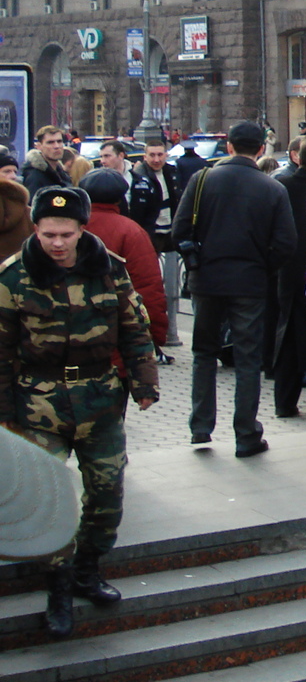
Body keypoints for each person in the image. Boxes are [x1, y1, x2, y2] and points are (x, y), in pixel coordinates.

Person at [0, 185, 158, 638]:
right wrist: (5, 414)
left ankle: (88, 569)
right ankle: (58, 586)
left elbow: (134, 326)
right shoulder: (13, 278)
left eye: (65, 234)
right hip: (38, 401)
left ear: (81, 230)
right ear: (35, 229)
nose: (56, 243)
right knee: (51, 499)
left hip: (100, 398)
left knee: (107, 492)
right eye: (48, 234)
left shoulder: (109, 269)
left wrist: (145, 381)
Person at [173, 121, 296, 459]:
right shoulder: (271, 188)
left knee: (203, 352)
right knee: (247, 358)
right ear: (260, 150)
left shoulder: (201, 181)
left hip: (207, 280)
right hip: (250, 282)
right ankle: (246, 434)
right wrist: (262, 267)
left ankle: (200, 425)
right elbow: (286, 243)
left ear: (228, 146)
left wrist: (198, 260)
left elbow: (179, 230)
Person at [81, 170, 169, 353]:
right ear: (120, 199)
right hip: (117, 331)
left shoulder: (71, 228)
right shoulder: (131, 231)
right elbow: (147, 285)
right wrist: (156, 333)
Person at [271, 135, 306, 420]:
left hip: (289, 270)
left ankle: (284, 402)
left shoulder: (282, 186)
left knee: (288, 334)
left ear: (297, 158)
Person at [129, 138, 183, 347]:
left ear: (166, 155)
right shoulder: (140, 176)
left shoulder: (172, 173)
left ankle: (171, 331)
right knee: (150, 283)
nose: (156, 159)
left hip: (171, 231)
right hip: (150, 234)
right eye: (152, 155)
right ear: (145, 156)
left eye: (160, 154)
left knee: (172, 283)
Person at [23, 126, 75, 196]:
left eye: (59, 141)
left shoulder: (61, 173)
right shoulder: (35, 176)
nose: (56, 146)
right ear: (39, 146)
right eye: (50, 142)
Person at [0, 152, 31, 260]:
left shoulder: (27, 212)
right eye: (7, 171)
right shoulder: (27, 213)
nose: (13, 176)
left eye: (15, 172)